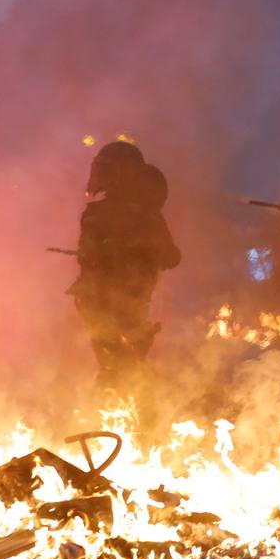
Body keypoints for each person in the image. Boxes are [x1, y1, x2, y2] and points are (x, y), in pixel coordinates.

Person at [70, 147, 180, 392]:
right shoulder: (145, 216)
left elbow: (170, 257)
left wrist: (135, 250)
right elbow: (171, 257)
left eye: (106, 169)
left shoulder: (101, 214)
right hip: (109, 300)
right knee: (123, 364)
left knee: (119, 365)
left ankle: (122, 415)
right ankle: (125, 414)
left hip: (110, 301)